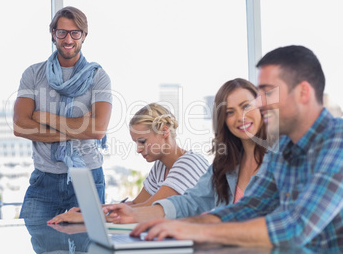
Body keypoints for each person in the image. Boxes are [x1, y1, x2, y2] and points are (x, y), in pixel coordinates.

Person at [131, 45, 343, 250]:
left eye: (268, 93)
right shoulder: (284, 148)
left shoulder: (337, 141)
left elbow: (295, 227)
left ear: (303, 92)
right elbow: (249, 207)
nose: (260, 103)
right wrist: (184, 225)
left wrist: (198, 232)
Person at [101, 78, 269, 224]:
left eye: (246, 106)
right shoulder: (225, 164)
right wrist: (131, 214)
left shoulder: (283, 159)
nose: (240, 117)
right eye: (230, 112)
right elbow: (189, 202)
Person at [13, 6, 112, 219]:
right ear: (53, 34)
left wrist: (44, 118)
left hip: (87, 176)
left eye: (75, 32)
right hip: (43, 179)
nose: (68, 39)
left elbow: (98, 130)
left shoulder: (98, 77)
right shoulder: (33, 74)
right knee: (36, 246)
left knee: (88, 247)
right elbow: (20, 125)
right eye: (62, 32)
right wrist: (77, 128)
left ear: (84, 35)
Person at [48, 103, 210, 224]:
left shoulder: (189, 164)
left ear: (164, 131)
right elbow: (135, 204)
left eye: (142, 141)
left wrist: (85, 217)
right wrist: (91, 209)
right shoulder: (161, 166)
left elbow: (147, 209)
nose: (138, 149)